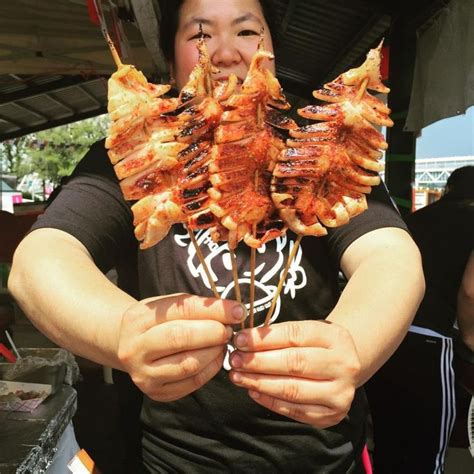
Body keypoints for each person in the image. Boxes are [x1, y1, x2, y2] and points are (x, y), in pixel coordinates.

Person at [7, 0, 425, 472]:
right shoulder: (144, 149)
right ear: (170, 62)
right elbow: (41, 258)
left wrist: (355, 342)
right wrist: (117, 329)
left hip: (322, 457)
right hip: (173, 459)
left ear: (271, 52)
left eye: (247, 31)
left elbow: (389, 256)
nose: (225, 52)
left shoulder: (315, 144)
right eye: (199, 35)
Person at [365, 165, 474, 474]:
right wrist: (469, 340)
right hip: (432, 340)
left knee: (388, 441)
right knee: (427, 455)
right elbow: (471, 291)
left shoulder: (412, 219)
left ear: (448, 189)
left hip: (383, 335)